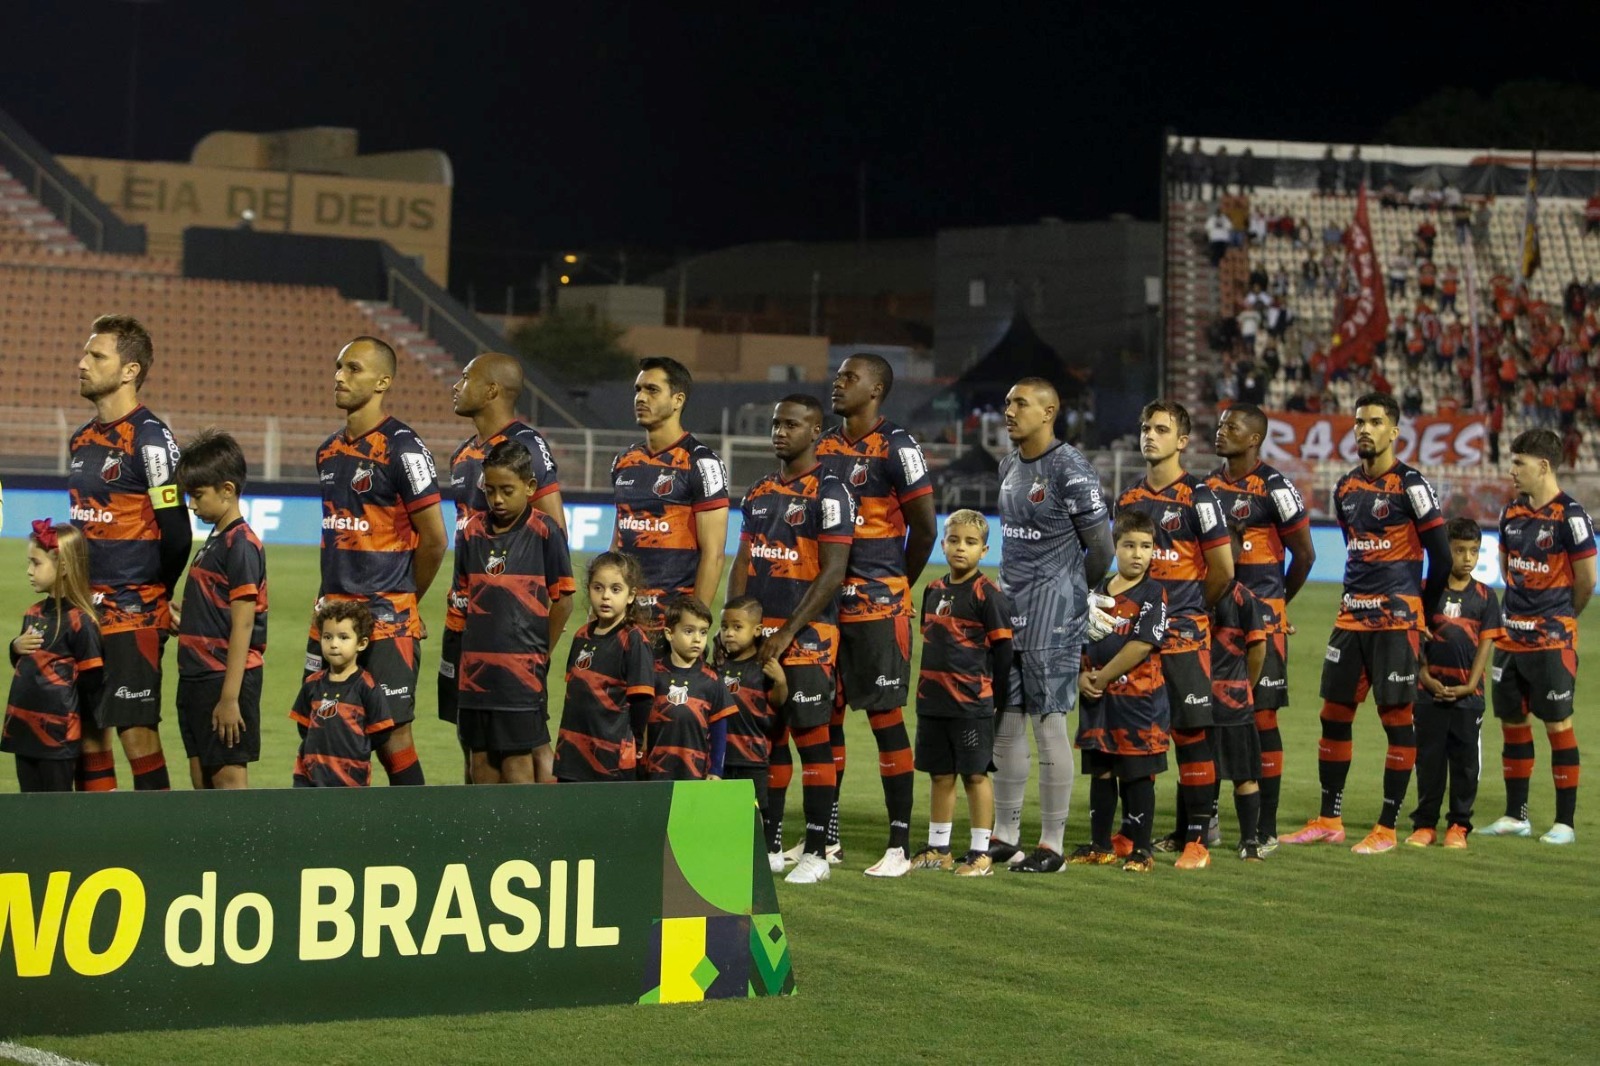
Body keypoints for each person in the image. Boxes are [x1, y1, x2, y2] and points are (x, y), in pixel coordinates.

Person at [1281, 391, 1451, 854]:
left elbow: (1442, 555)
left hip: (1395, 620)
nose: (1364, 430)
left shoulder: (1411, 484)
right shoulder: (1345, 488)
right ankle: (1329, 818)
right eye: (1359, 422)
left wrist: (1424, 612)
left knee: (1396, 719)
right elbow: (1354, 546)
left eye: (1375, 422)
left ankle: (1387, 827)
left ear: (1394, 431)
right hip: (1350, 617)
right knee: (1332, 715)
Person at [815, 353, 936, 877]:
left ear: (877, 390)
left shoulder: (898, 447)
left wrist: (894, 587)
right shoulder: (822, 446)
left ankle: (898, 846)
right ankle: (830, 838)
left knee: (886, 720)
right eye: (838, 376)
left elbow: (925, 528)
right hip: (826, 605)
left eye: (849, 378)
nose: (838, 384)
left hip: (878, 605)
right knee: (827, 716)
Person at [727, 395, 854, 885]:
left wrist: (787, 632)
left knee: (811, 740)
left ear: (817, 431)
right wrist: (735, 626)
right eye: (776, 423)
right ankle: (773, 845)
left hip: (809, 638)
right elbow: (744, 560)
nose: (780, 431)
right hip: (761, 635)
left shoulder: (832, 491)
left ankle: (818, 852)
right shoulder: (758, 491)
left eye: (792, 424)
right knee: (767, 740)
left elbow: (834, 573)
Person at [312, 336, 448, 786]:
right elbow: (333, 538)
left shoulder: (403, 448)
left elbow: (434, 540)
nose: (338, 376)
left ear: (383, 382)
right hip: (331, 616)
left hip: (387, 621)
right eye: (337, 366)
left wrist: (407, 599)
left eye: (352, 369)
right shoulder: (328, 452)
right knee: (323, 727)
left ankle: (412, 834)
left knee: (393, 736)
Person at [991, 377, 1114, 873]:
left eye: (1019, 402)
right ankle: (1004, 835)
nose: (1009, 410)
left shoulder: (1069, 467)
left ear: (1049, 412)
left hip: (1053, 616)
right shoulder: (1008, 465)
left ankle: (1053, 845)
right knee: (1007, 721)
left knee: (1048, 726)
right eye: (1007, 401)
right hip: (1009, 610)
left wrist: (1071, 600)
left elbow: (1101, 547)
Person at [70, 314, 190, 791]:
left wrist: (158, 594)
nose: (82, 363)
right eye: (85, 353)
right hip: (82, 613)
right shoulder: (80, 440)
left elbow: (177, 532)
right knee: (86, 730)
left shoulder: (151, 439)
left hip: (132, 612)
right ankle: (101, 842)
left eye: (96, 356)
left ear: (129, 371)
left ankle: (155, 841)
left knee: (136, 732)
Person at [1115, 400, 1234, 869]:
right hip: (1137, 637)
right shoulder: (1128, 499)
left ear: (1182, 441)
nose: (1150, 436)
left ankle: (1197, 839)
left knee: (1189, 736)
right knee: (1135, 736)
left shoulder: (1199, 497)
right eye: (1145, 427)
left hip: (1183, 636)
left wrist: (1189, 609)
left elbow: (1223, 569)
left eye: (1161, 429)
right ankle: (1131, 831)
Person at [442, 353, 565, 780]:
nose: (455, 386)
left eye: (465, 378)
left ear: (491, 389)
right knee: (472, 737)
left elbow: (551, 533)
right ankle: (483, 832)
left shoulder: (527, 445)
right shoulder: (463, 455)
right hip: (470, 623)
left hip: (516, 634)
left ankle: (543, 833)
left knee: (529, 742)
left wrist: (536, 644)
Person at [1208, 402, 1315, 847]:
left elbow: (1305, 555)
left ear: (1254, 439)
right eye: (1219, 425)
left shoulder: (1276, 488)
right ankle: (1204, 823)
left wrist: (1274, 607)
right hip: (1215, 617)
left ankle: (1265, 826)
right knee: (1208, 712)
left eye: (1231, 427)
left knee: (1262, 717)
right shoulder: (1208, 486)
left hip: (1262, 620)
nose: (1220, 431)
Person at [1479, 429, 1594, 844]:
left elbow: (1586, 580)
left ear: (1543, 466)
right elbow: (1508, 570)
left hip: (1551, 641)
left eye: (1519, 464)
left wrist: (1560, 619)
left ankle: (1564, 823)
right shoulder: (1510, 513)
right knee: (1512, 723)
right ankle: (1516, 815)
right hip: (1510, 639)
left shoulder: (1572, 516)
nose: (1512, 471)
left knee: (1558, 724)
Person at [453, 440, 575, 785]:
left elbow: (563, 600)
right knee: (480, 760)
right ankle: (486, 836)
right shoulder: (471, 531)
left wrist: (541, 652)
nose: (498, 500)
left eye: (507, 490)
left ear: (530, 487)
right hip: (475, 673)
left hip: (520, 673)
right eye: (490, 491)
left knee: (518, 761)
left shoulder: (545, 531)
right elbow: (461, 597)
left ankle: (526, 836)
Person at [907, 509, 1014, 878]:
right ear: (943, 544)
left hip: (972, 703)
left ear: (984, 550)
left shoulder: (989, 595)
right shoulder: (933, 591)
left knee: (975, 775)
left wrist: (994, 700)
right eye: (954, 540)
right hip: (933, 702)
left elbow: (1004, 654)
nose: (960, 548)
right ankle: (939, 847)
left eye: (970, 543)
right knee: (940, 774)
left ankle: (981, 852)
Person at [1073, 510, 1169, 873]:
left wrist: (1100, 677)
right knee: (1101, 770)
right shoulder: (1095, 592)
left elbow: (1143, 644)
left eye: (1146, 547)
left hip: (1139, 701)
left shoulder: (1153, 593)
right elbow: (1077, 643)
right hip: (1098, 701)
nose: (1137, 554)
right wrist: (1081, 678)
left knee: (1136, 773)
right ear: (1116, 546)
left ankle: (1141, 850)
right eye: (1129, 545)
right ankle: (1100, 845)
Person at [172, 430, 267, 790]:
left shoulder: (241, 544)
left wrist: (229, 699)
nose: (192, 506)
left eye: (197, 495)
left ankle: (244, 850)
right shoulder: (217, 539)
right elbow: (220, 612)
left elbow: (243, 626)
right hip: (196, 677)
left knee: (227, 786)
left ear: (227, 490)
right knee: (202, 787)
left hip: (221, 681)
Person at [611, 356, 729, 629]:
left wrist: (692, 624)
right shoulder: (624, 461)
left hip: (671, 623)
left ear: (678, 400)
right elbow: (618, 541)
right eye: (638, 390)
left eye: (652, 390)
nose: (641, 398)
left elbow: (714, 554)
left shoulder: (702, 463)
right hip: (624, 619)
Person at [1408, 518, 1503, 848]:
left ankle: (1459, 826)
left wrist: (1470, 685)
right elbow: (1417, 640)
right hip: (1428, 694)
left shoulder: (1486, 597)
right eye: (1459, 550)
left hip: (1467, 698)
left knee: (1465, 764)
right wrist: (1424, 676)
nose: (1467, 558)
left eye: (1473, 551)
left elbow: (1485, 646)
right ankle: (1425, 824)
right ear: (1446, 551)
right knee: (1428, 761)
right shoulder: (1426, 591)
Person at [2, 521, 102, 793]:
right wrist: (15, 646)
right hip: (22, 727)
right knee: (29, 807)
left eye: (36, 563)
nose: (29, 571)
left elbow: (91, 680)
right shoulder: (33, 613)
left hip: (56, 734)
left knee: (56, 810)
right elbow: (27, 666)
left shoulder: (80, 621)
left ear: (64, 567)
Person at [553, 552, 657, 783]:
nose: (605, 597)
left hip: (610, 760)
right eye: (598, 588)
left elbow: (642, 702)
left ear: (631, 596)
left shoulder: (633, 640)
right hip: (571, 753)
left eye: (615, 589)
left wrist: (635, 743)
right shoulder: (582, 635)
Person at [1209, 520, 1268, 861]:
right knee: (1200, 769)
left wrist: (1247, 685)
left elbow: (1258, 650)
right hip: (1202, 699)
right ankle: (1198, 833)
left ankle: (1249, 840)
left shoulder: (1244, 599)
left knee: (1243, 773)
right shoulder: (1200, 594)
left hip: (1232, 702)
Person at [291, 601, 393, 787]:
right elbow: (304, 727)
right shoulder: (312, 684)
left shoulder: (366, 686)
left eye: (343, 637)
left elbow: (380, 732)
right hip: (309, 774)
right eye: (327, 637)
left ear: (361, 643)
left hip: (350, 777)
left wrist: (357, 749)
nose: (334, 644)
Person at [717, 595, 788, 849]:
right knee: (721, 812)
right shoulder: (717, 666)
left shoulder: (763, 666)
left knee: (756, 812)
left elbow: (777, 703)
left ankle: (765, 852)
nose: (729, 634)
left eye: (738, 627)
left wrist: (781, 682)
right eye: (725, 627)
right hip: (720, 758)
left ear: (757, 630)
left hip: (752, 757)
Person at [643, 595, 737, 781]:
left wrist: (716, 770)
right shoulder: (653, 675)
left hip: (695, 774)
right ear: (670, 633)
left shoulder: (712, 680)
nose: (697, 639)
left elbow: (719, 729)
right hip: (654, 773)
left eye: (703, 632)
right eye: (689, 631)